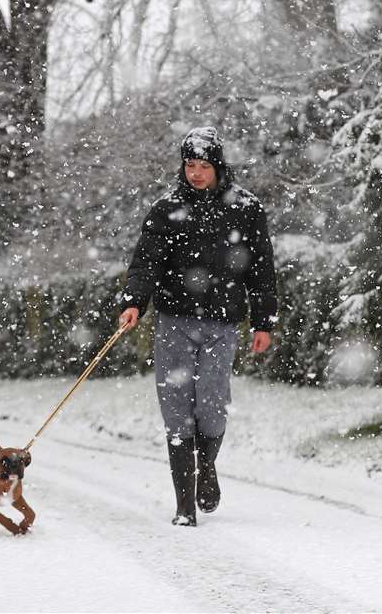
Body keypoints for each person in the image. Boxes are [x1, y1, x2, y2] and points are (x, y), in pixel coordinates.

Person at [117, 126, 277, 526]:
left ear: (218, 166)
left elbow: (261, 270)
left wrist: (263, 321)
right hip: (174, 320)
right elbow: (146, 262)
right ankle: (184, 506)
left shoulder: (245, 208)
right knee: (175, 409)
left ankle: (206, 468)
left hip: (222, 323)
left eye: (204, 166)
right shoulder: (166, 210)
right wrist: (134, 301)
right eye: (190, 165)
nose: (197, 173)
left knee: (211, 403)